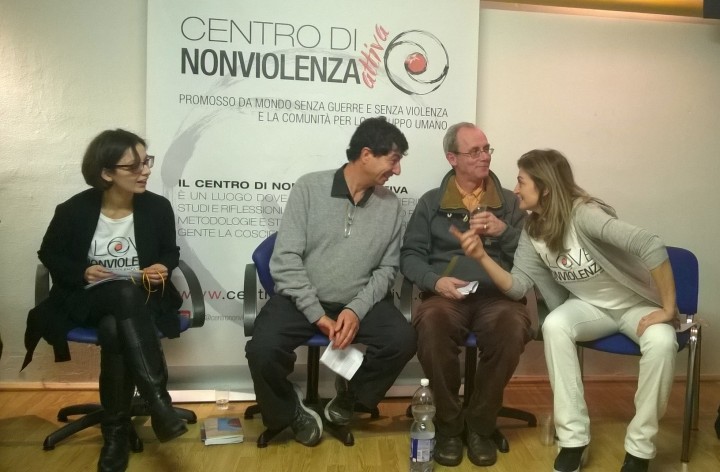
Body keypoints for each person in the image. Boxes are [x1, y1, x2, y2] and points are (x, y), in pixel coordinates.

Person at [451, 149, 678, 472]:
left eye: (521, 181)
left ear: (544, 187)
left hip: (635, 307)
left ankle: (640, 449)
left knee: (663, 343)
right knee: (555, 325)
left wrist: (668, 309)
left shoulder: (584, 214)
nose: (515, 189)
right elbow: (517, 286)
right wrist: (482, 258)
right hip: (589, 307)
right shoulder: (532, 230)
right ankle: (573, 440)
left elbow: (650, 244)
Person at [245, 116, 417, 447]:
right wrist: (316, 314)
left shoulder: (391, 205)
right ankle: (289, 412)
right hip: (302, 300)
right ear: (366, 154)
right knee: (262, 349)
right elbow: (285, 258)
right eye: (393, 160)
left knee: (402, 339)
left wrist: (355, 310)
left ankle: (350, 397)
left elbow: (387, 269)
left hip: (358, 300)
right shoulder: (309, 188)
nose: (397, 170)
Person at [23, 129, 188, 472]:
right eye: (134, 166)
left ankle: (115, 434)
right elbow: (49, 254)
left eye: (146, 161)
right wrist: (82, 272)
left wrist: (163, 266)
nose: (146, 171)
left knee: (115, 327)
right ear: (106, 173)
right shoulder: (73, 210)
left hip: (142, 299)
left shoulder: (157, 207)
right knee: (121, 295)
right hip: (86, 300)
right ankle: (159, 402)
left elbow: (170, 252)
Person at [400, 122, 532, 467]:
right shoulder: (431, 202)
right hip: (446, 296)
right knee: (432, 323)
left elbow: (532, 256)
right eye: (474, 151)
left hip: (498, 296)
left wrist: (504, 232)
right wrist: (435, 282)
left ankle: (479, 426)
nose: (484, 156)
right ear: (452, 158)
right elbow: (410, 256)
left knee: (512, 326)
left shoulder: (510, 203)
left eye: (486, 149)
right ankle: (448, 425)